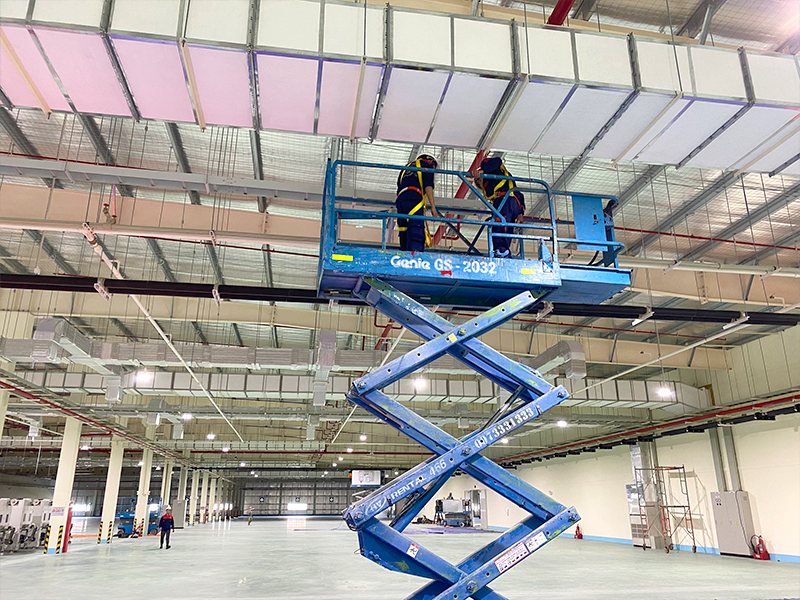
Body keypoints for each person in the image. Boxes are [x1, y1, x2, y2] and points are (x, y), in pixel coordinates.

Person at [473, 156, 526, 258]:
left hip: (504, 200)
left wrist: (483, 170)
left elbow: (497, 161)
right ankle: (504, 252)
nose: (478, 182)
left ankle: (502, 250)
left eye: (478, 179)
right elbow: (519, 195)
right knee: (507, 228)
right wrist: (520, 213)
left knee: (498, 225)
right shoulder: (496, 186)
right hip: (512, 202)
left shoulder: (493, 171)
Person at [396, 154, 439, 252]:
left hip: (401, 201)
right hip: (414, 198)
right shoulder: (427, 164)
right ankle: (415, 256)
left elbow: (399, 184)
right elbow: (428, 186)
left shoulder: (406, 168)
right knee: (416, 230)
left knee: (404, 230)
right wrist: (433, 206)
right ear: (432, 162)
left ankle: (404, 254)